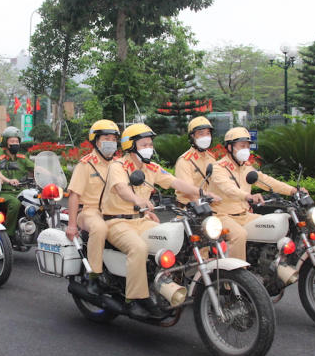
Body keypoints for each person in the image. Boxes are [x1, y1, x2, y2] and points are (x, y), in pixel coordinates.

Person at [100, 123, 221, 319]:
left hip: (141, 220)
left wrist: (202, 192)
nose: (149, 147)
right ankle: (135, 299)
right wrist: (138, 199)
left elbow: (175, 182)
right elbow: (122, 189)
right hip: (117, 222)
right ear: (131, 146)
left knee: (172, 238)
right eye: (144, 144)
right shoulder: (118, 166)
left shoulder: (151, 167)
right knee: (138, 248)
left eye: (150, 144)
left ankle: (164, 283)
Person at [209, 127, 307, 261]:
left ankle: (270, 263)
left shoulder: (246, 166)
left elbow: (265, 180)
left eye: (248, 146)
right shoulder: (218, 167)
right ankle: (235, 277)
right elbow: (228, 188)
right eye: (242, 146)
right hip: (222, 216)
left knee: (273, 225)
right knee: (239, 235)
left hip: (244, 215)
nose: (246, 149)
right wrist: (248, 196)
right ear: (230, 147)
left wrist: (294, 191)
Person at [65, 120, 121, 296]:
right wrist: (72, 225)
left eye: (114, 139)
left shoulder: (119, 164)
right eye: (106, 138)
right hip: (90, 211)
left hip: (115, 211)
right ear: (95, 140)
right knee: (99, 227)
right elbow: (74, 195)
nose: (111, 142)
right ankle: (94, 276)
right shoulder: (85, 164)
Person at [0, 126, 35, 241]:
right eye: (12, 141)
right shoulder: (0, 158)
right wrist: (8, 180)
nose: (15, 144)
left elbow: (35, 168)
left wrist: (49, 173)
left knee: (37, 200)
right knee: (15, 203)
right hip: (4, 192)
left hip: (21, 191)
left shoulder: (22, 158)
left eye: (17, 141)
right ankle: (8, 235)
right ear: (5, 142)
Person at [174, 116, 218, 207]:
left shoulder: (211, 158)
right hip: (190, 210)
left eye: (208, 133)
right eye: (201, 134)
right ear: (192, 136)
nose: (205, 137)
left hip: (209, 206)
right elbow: (190, 192)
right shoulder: (185, 161)